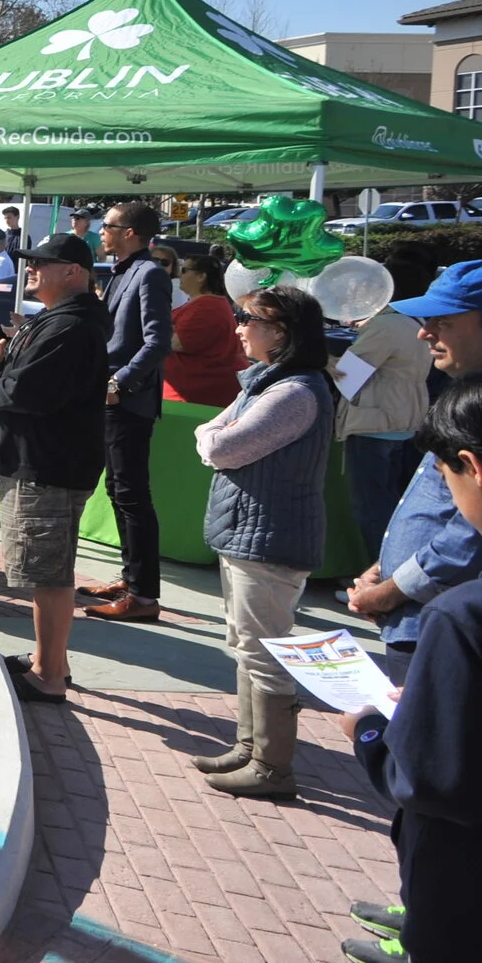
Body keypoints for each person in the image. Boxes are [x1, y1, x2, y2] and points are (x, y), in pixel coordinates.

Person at [339, 374, 482, 963]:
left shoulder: (463, 618)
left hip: (465, 923)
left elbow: (426, 781)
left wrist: (371, 730)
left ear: (474, 468)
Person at [0, 233, 111, 705]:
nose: (30, 269)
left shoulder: (70, 326)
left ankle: (48, 675)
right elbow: (27, 385)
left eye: (41, 262)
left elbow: (30, 394)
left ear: (73, 272)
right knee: (48, 572)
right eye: (30, 261)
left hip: (46, 466)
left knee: (48, 576)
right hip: (44, 462)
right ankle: (50, 661)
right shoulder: (64, 320)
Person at [187, 284, 336, 800]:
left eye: (248, 319)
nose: (238, 327)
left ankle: (272, 766)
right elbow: (213, 432)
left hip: (271, 537)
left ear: (282, 332)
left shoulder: (293, 393)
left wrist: (212, 439)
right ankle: (250, 747)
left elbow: (221, 446)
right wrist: (213, 437)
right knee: (246, 644)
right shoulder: (267, 382)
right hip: (251, 533)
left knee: (265, 649)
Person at [352, 260, 482, 674]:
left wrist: (388, 592)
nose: (424, 333)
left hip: (440, 624)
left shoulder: (477, 410)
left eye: (442, 322)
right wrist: (383, 570)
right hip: (424, 617)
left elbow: (468, 534)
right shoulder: (465, 393)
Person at [86, 203, 175, 624]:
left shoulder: (150, 273)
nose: (101, 231)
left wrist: (118, 382)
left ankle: (143, 596)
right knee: (119, 492)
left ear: (131, 232)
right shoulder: (123, 271)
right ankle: (131, 579)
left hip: (128, 401)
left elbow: (157, 342)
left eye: (108, 225)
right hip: (113, 399)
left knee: (132, 495)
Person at [334, 253, 439, 577]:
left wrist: (316, 357)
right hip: (404, 420)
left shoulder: (387, 324)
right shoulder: (417, 322)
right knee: (391, 504)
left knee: (372, 508)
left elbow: (347, 376)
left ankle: (382, 580)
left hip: (375, 423)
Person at [163, 252, 248, 408]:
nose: (179, 274)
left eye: (184, 270)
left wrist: (153, 328)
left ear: (201, 276)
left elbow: (176, 343)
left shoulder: (207, 307)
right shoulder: (205, 304)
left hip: (196, 399)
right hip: (194, 394)